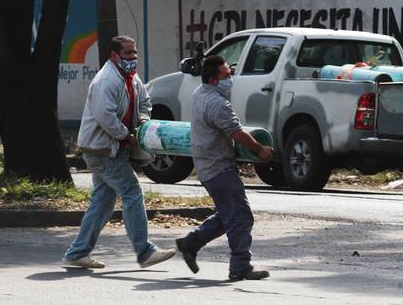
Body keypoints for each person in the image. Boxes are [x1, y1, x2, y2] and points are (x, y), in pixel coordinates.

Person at [63, 36, 175, 269]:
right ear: (114, 55)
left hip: (112, 148)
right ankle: (144, 251)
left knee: (103, 201)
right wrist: (126, 135)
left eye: (134, 53)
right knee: (132, 192)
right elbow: (106, 117)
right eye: (127, 54)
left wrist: (143, 122)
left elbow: (145, 102)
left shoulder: (131, 78)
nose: (133, 58)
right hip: (102, 149)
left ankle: (77, 252)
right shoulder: (106, 80)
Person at [175, 55, 274, 281]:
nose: (231, 79)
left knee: (228, 214)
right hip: (218, 168)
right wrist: (261, 150)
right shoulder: (217, 103)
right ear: (213, 80)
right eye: (227, 76)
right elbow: (237, 134)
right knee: (240, 217)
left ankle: (190, 243)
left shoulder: (199, 93)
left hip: (206, 166)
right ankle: (240, 267)